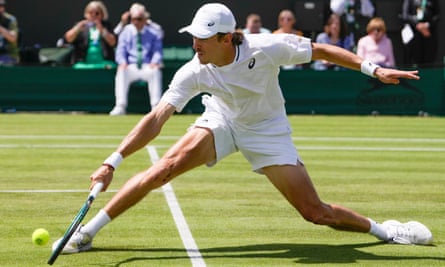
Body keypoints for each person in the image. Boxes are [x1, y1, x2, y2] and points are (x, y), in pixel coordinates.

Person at [53, 3, 433, 255]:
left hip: (267, 130)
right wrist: (112, 161)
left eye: (201, 38)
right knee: (163, 168)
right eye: (193, 37)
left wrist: (373, 69)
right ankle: (86, 233)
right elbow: (156, 118)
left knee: (316, 213)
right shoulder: (194, 68)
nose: (193, 44)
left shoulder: (268, 47)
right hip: (221, 119)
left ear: (225, 38)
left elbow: (321, 50)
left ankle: (386, 230)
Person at [108, 3, 163, 116]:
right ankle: (120, 106)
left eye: (139, 19)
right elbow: (120, 50)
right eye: (133, 19)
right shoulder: (125, 31)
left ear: (145, 19)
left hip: (147, 65)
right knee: (121, 71)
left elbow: (158, 51)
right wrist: (122, 62)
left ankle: (155, 107)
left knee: (155, 71)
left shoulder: (154, 32)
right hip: (130, 66)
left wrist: (155, 62)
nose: (136, 22)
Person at [64, 1, 116, 69]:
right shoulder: (80, 26)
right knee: (77, 67)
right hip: (84, 64)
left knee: (110, 67)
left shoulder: (106, 26)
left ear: (102, 15)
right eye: (90, 13)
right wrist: (77, 29)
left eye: (97, 13)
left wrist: (103, 31)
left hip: (103, 63)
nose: (93, 15)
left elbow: (113, 43)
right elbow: (68, 39)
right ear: (86, 14)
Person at [400, 0, 440, 67]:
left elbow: (437, 15)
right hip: (414, 35)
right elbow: (405, 15)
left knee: (429, 61)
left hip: (428, 34)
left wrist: (427, 25)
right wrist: (418, 25)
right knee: (415, 61)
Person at [0, 0, 19, 65]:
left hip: (8, 55)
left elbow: (13, 38)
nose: (1, 8)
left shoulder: (10, 19)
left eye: (1, 6)